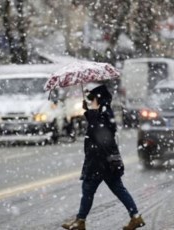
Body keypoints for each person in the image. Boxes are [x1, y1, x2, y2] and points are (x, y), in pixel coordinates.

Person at [62, 84, 145, 230]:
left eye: (92, 98)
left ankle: (80, 221)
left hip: (99, 161)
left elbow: (99, 131)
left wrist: (90, 113)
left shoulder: (104, 113)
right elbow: (100, 126)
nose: (90, 101)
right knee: (117, 189)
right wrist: (88, 111)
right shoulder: (104, 111)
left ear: (98, 99)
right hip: (106, 160)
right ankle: (136, 217)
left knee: (88, 189)